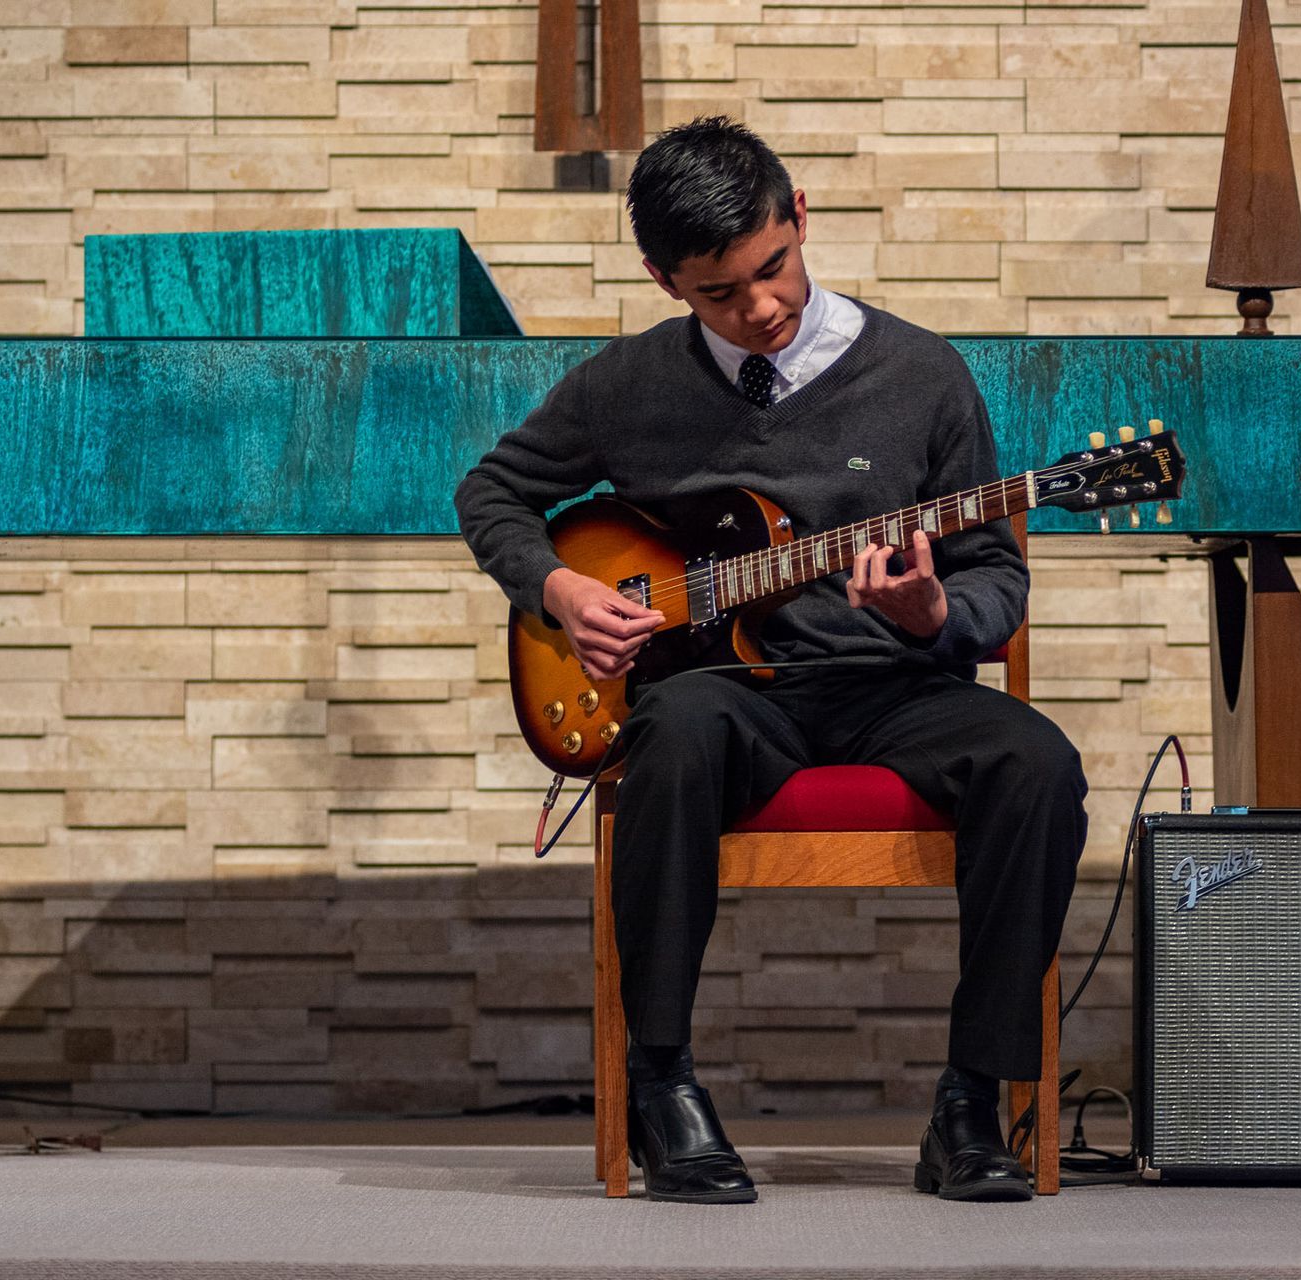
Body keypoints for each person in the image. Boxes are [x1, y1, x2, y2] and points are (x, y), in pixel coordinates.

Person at [455, 117, 1087, 1204]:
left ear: (799, 217)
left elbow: (998, 581)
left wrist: (936, 614)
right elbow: (492, 493)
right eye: (717, 292)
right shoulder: (625, 386)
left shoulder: (923, 375)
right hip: (726, 694)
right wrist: (558, 589)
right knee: (670, 738)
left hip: (896, 684)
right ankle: (664, 1087)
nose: (759, 308)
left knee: (1038, 765)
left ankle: (972, 1102)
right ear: (664, 278)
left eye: (772, 268)